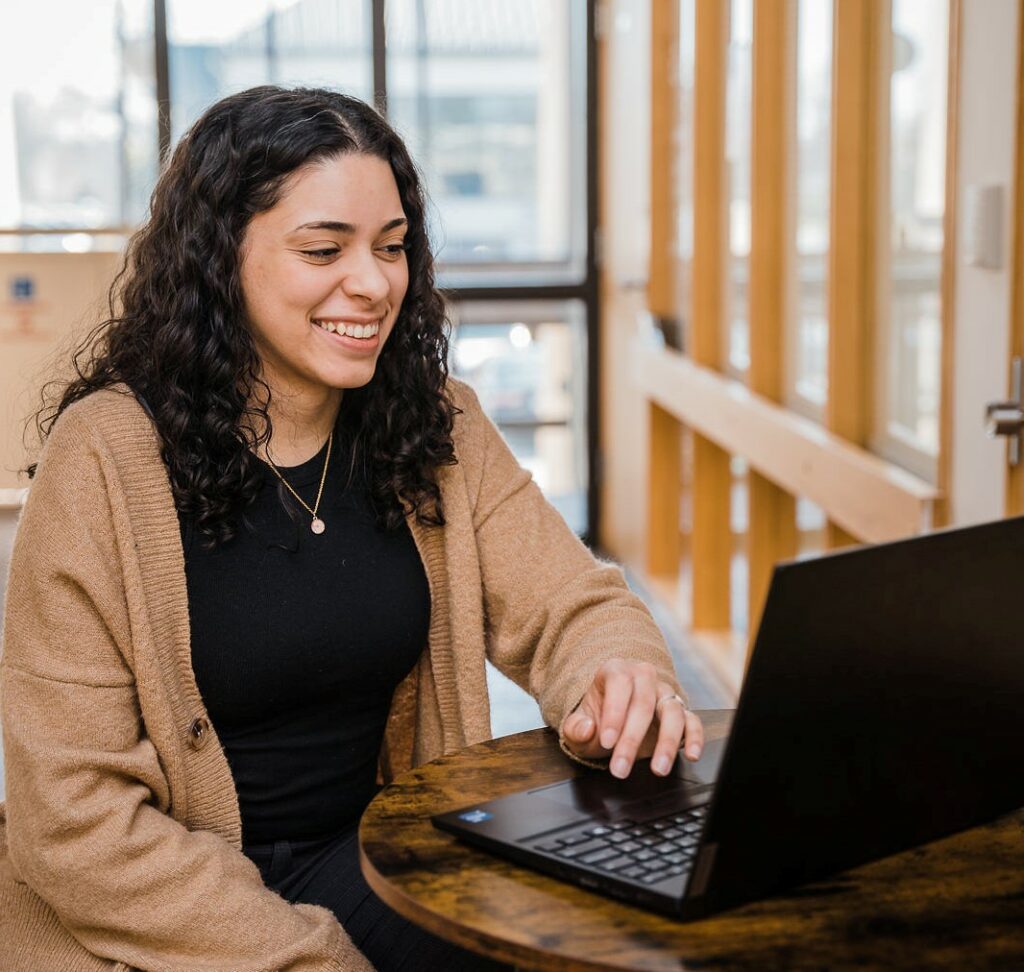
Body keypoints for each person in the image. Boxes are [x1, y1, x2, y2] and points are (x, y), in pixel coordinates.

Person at [0, 86, 702, 971]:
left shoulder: (434, 421)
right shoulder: (104, 456)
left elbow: (572, 599)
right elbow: (74, 823)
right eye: (325, 248)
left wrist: (618, 670)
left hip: (366, 862)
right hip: (156, 909)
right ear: (220, 259)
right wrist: (313, 958)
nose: (373, 283)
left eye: (394, 247)